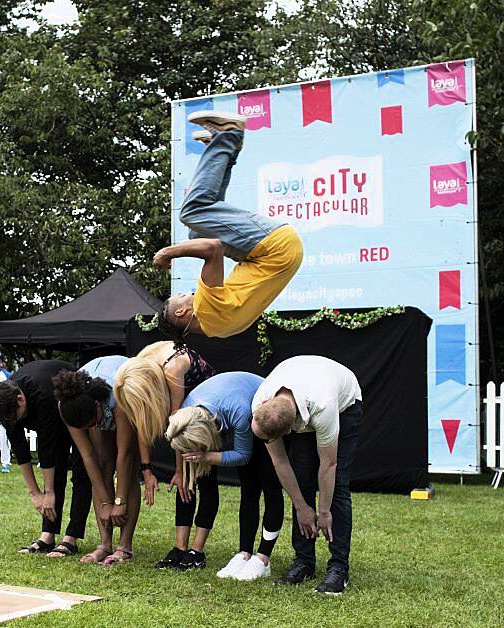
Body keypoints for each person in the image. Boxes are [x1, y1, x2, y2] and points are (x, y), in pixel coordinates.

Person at [155, 111, 304, 340]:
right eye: (182, 296)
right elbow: (213, 248)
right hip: (275, 248)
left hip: (278, 256)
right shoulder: (205, 309)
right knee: (192, 212)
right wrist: (168, 253)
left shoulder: (219, 330)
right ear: (181, 310)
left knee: (198, 230)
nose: (190, 293)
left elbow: (207, 242)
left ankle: (222, 148)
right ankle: (228, 136)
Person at [252, 355, 364, 596]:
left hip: (345, 404)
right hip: (301, 392)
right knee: (302, 484)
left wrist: (324, 513)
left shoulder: (323, 407)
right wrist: (302, 507)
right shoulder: (261, 404)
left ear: (291, 431)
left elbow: (329, 465)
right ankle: (304, 562)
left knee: (338, 488)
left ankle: (338, 569)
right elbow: (280, 461)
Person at [164, 372, 283, 580]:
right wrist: (182, 468)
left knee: (268, 484)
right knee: (248, 488)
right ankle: (244, 553)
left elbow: (243, 456)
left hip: (266, 411)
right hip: (234, 405)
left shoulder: (238, 411)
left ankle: (263, 558)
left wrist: (207, 455)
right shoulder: (187, 410)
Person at [113, 341, 216, 571]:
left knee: (199, 476)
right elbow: (142, 422)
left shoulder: (173, 368)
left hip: (204, 410)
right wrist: (146, 470)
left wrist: (179, 471)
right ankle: (180, 548)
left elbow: (177, 423)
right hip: (181, 412)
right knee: (184, 485)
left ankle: (196, 551)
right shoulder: (138, 366)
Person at [0, 360, 92, 558]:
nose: (13, 423)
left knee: (81, 473)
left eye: (15, 417)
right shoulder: (5, 400)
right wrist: (34, 492)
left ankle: (71, 538)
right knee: (54, 478)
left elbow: (48, 450)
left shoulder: (42, 395)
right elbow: (20, 448)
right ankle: (48, 535)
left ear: (20, 400)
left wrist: (47, 493)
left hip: (75, 408)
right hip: (51, 413)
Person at [52, 356, 139, 567]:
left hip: (126, 393)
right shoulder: (67, 406)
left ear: (97, 406)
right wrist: (105, 504)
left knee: (128, 468)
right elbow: (88, 456)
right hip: (95, 401)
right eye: (89, 426)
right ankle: (105, 545)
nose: (96, 427)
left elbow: (124, 454)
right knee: (102, 464)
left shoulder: (119, 395)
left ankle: (124, 547)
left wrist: (119, 502)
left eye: (95, 422)